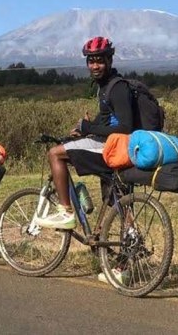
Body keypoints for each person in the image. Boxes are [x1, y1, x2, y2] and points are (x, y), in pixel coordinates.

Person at [35, 36, 135, 231]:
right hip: (111, 145)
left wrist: (88, 128)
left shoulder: (117, 88)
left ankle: (66, 212)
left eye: (99, 60)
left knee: (55, 153)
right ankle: (128, 244)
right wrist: (84, 131)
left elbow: (125, 128)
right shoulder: (105, 87)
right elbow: (106, 120)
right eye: (91, 60)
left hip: (114, 147)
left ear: (109, 60)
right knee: (118, 201)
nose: (95, 65)